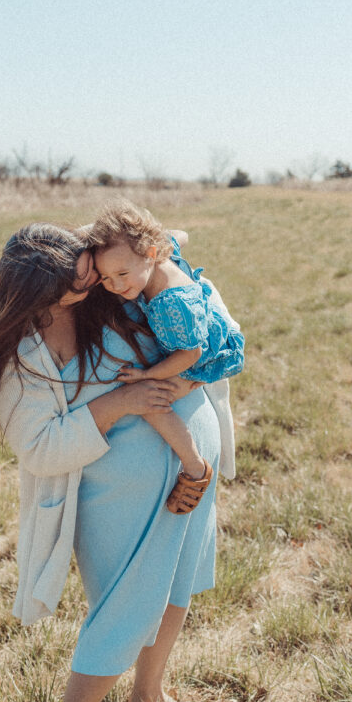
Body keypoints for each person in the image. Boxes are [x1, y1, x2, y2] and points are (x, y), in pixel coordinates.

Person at [0, 221, 238, 702]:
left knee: (176, 584)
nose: (93, 282)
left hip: (191, 470)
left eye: (91, 269)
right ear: (41, 292)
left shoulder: (111, 290)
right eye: (79, 278)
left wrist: (187, 384)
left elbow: (198, 306)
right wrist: (125, 402)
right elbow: (41, 448)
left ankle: (147, 696)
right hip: (118, 494)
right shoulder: (23, 359)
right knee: (125, 607)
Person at [88, 201, 244, 515]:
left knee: (153, 402)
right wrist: (161, 236)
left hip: (204, 354)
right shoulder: (162, 251)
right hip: (192, 338)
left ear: (149, 254)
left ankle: (195, 468)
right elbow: (180, 235)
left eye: (121, 273)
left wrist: (148, 376)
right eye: (105, 278)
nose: (115, 285)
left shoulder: (169, 304)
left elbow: (192, 352)